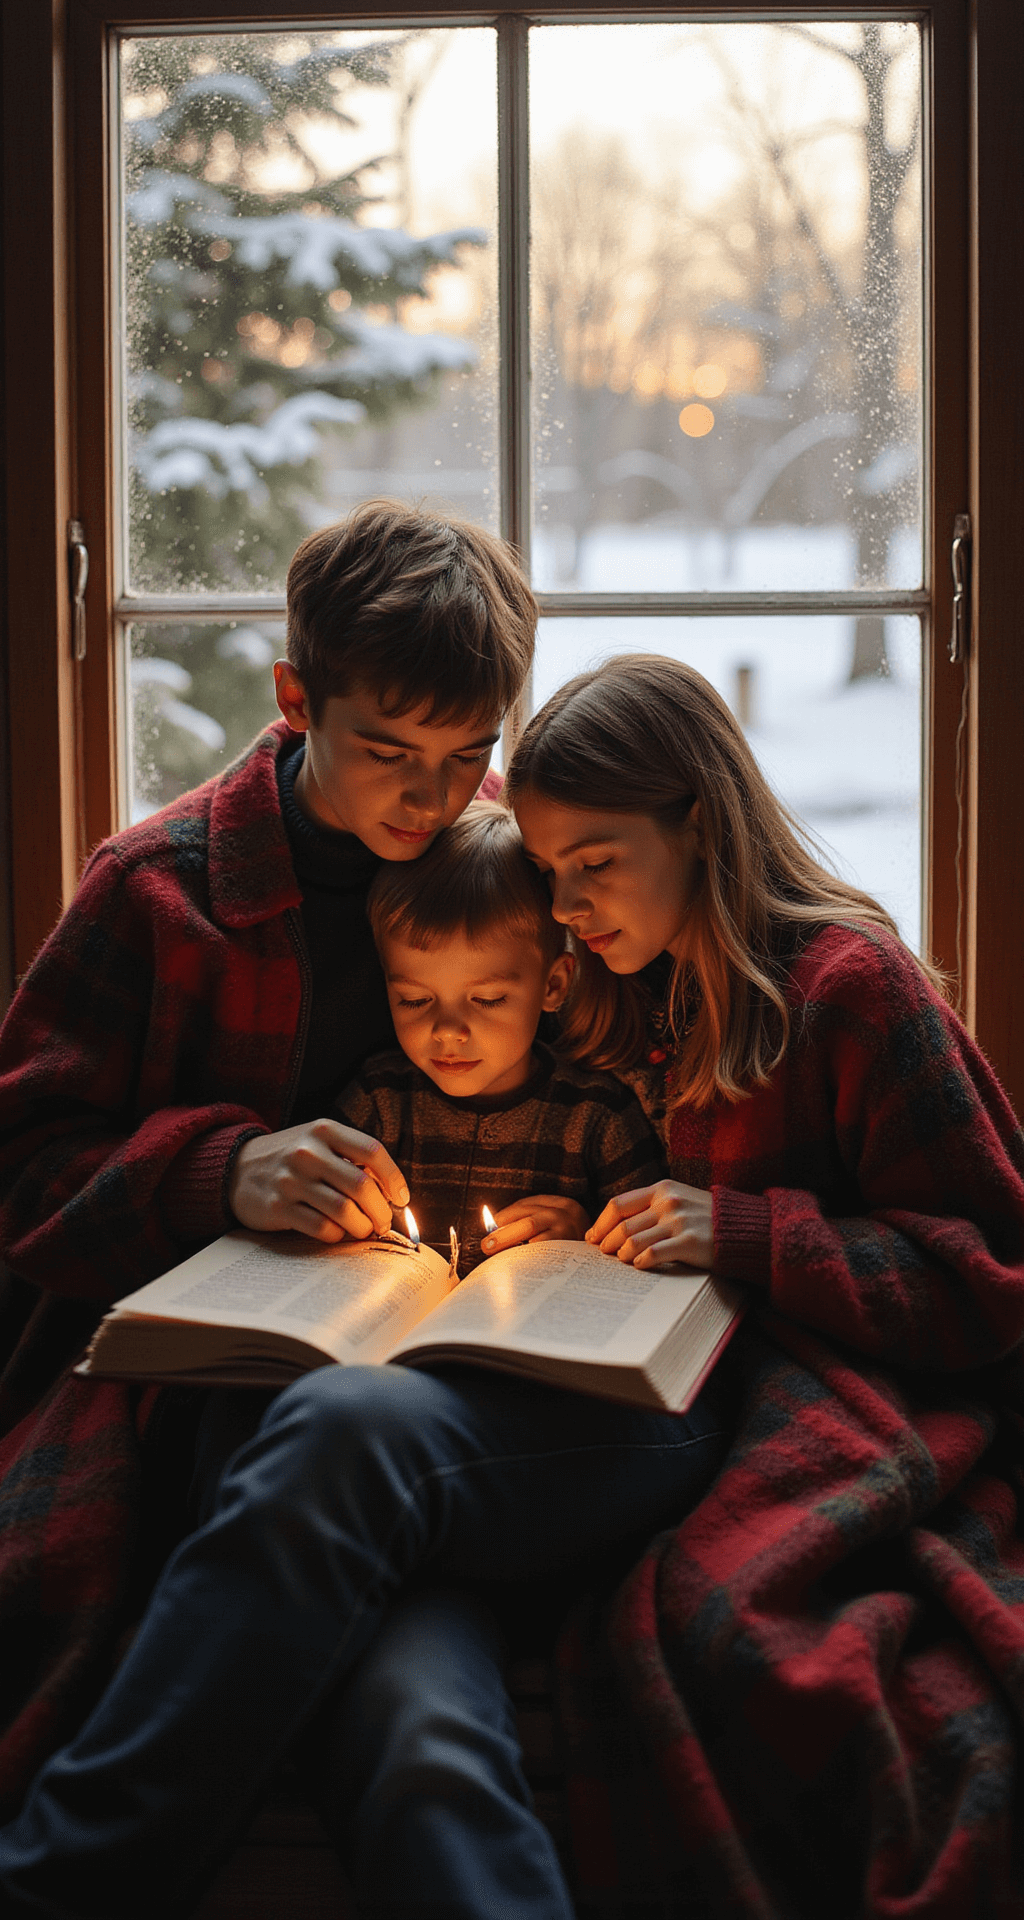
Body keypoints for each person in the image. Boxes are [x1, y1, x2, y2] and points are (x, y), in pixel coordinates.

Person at [0, 596, 727, 1909]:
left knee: (373, 1543)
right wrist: (216, 1169)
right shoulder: (156, 888)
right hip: (253, 1404)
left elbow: (697, 1106)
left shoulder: (541, 857)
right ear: (294, 702)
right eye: (392, 750)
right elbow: (21, 1171)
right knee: (420, 1728)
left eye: (469, 752)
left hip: (525, 1411)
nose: (439, 794)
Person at [504, 653, 1024, 1919]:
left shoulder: (853, 990)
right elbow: (665, 1208)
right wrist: (577, 1224)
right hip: (694, 1398)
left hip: (876, 1406)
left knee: (720, 1623)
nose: (566, 907)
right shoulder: (637, 996)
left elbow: (989, 1280)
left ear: (698, 818)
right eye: (548, 871)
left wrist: (748, 1233)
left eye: (595, 860)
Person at [338, 799, 667, 1273]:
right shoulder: (378, 1101)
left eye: (487, 999)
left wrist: (583, 1236)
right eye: (414, 1000)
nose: (448, 1031)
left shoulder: (598, 1117)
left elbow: (644, 1253)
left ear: (553, 985)